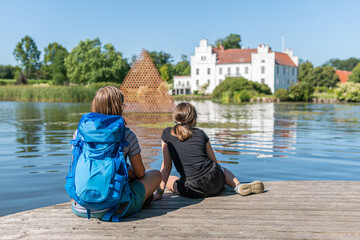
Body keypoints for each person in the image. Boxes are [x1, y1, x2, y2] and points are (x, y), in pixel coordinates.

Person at [69, 86, 161, 219]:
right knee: (156, 175)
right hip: (114, 209)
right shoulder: (127, 135)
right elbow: (140, 173)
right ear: (118, 107)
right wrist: (125, 170)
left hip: (80, 207)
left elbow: (75, 168)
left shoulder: (79, 133)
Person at [153, 102, 264, 200]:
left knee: (170, 179)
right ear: (193, 119)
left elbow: (167, 166)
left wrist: (159, 191)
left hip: (192, 189)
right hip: (215, 181)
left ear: (174, 118)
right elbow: (214, 162)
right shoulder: (201, 134)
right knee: (222, 169)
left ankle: (162, 190)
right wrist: (219, 181)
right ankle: (238, 185)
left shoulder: (167, 134)